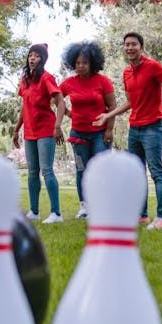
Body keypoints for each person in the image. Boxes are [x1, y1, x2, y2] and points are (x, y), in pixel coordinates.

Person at [93, 32, 162, 230]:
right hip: (135, 129)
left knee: (157, 173)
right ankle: (141, 215)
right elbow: (130, 102)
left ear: (141, 47)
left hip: (152, 127)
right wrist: (108, 116)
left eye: (134, 44)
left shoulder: (153, 67)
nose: (130, 48)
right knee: (136, 173)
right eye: (127, 45)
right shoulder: (126, 73)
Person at [60, 41, 116, 219]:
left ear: (92, 63)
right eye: (77, 63)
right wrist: (69, 114)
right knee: (81, 170)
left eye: (84, 63)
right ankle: (85, 207)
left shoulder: (103, 81)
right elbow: (56, 99)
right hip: (78, 134)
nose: (80, 66)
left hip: (100, 133)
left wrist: (109, 129)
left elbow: (112, 106)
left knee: (101, 170)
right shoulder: (68, 83)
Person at [13, 43, 65, 224]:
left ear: (42, 59)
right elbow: (24, 106)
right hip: (29, 132)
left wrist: (57, 126)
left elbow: (60, 102)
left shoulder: (46, 78)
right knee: (32, 172)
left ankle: (56, 213)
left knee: (47, 170)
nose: (32, 58)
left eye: (36, 55)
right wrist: (17, 128)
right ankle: (34, 211)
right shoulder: (25, 79)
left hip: (45, 129)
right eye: (30, 55)